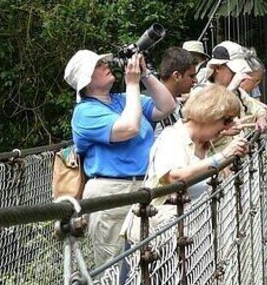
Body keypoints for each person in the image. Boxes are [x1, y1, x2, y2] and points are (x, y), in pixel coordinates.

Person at [64, 49, 175, 267]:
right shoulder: (84, 113)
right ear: (86, 81)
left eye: (103, 62)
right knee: (115, 269)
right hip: (111, 193)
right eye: (97, 65)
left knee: (147, 263)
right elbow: (129, 128)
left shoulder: (123, 100)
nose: (106, 65)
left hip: (144, 187)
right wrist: (132, 84)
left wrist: (145, 75)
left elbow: (167, 107)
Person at [121, 84, 248, 242]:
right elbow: (174, 177)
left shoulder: (205, 143)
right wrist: (224, 155)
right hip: (157, 239)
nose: (229, 126)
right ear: (211, 115)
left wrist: (227, 147)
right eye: (227, 120)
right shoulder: (172, 138)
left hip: (188, 235)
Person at [200, 41, 267, 133]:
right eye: (234, 71)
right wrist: (230, 89)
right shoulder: (201, 92)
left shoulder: (239, 92)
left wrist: (261, 118)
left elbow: (259, 108)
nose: (238, 76)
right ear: (217, 68)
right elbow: (209, 117)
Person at [155, 47, 199, 136]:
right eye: (191, 76)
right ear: (176, 76)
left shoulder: (180, 106)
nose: (196, 80)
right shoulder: (150, 106)